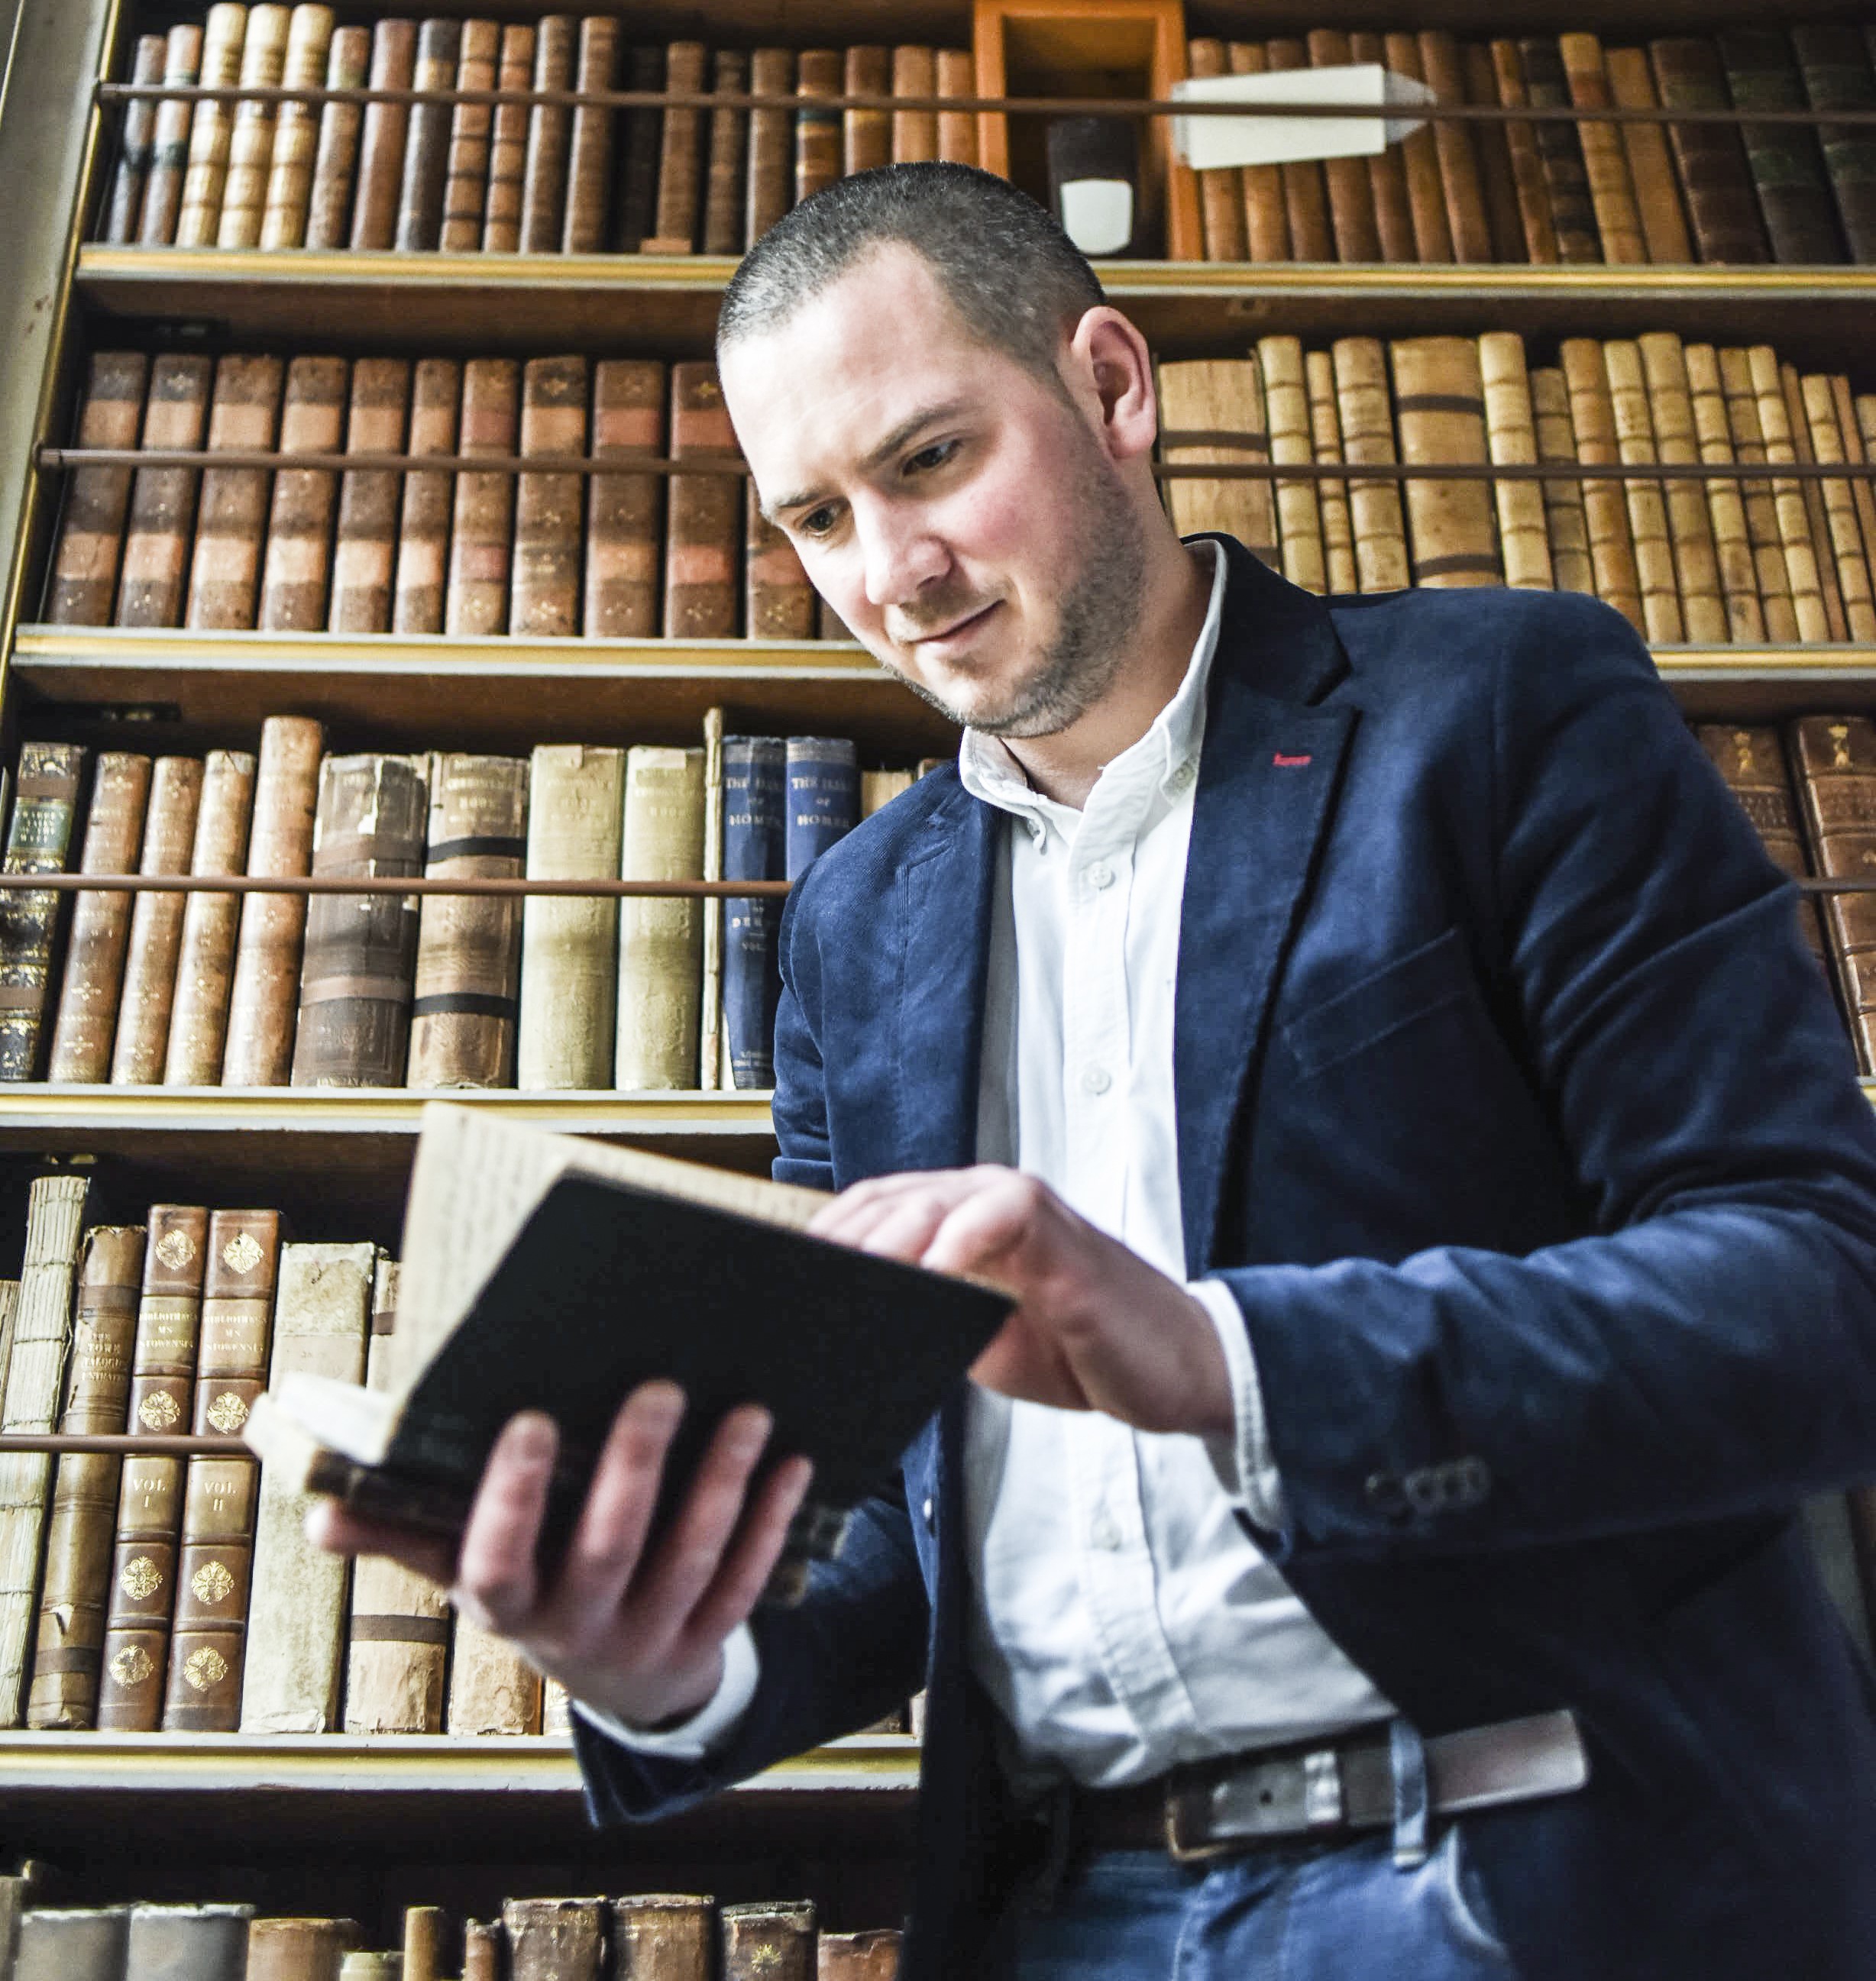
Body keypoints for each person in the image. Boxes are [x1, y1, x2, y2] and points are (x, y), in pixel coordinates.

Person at [312, 165, 1876, 1979]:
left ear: (1114, 388)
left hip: (1515, 1867)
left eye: (927, 463)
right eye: (815, 517)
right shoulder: (852, 925)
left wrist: (1220, 1359)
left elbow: (1820, 1288)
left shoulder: (1504, 713)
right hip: (1061, 1915)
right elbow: (899, 1524)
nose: (892, 577)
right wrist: (670, 1657)